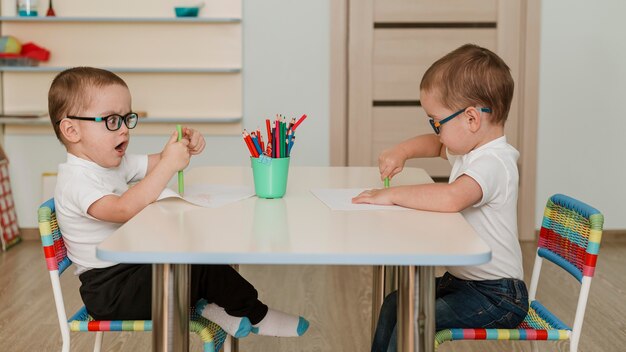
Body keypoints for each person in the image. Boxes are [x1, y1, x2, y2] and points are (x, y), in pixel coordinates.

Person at [49, 67, 309, 338]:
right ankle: (258, 315)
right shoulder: (76, 181)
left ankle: (215, 310)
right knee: (198, 266)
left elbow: (158, 162)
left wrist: (178, 146)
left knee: (194, 251)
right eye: (112, 121)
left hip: (134, 268)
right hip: (111, 291)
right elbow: (122, 209)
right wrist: (168, 165)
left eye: (128, 118)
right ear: (71, 129)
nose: (124, 130)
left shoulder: (110, 162)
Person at [353, 44, 529, 351]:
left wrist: (391, 195)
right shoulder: (472, 150)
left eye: (437, 122)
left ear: (472, 119)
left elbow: (451, 198)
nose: (436, 131)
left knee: (412, 319)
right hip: (464, 282)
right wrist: (403, 151)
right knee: (396, 304)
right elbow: (436, 147)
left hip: (498, 296)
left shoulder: (494, 163)